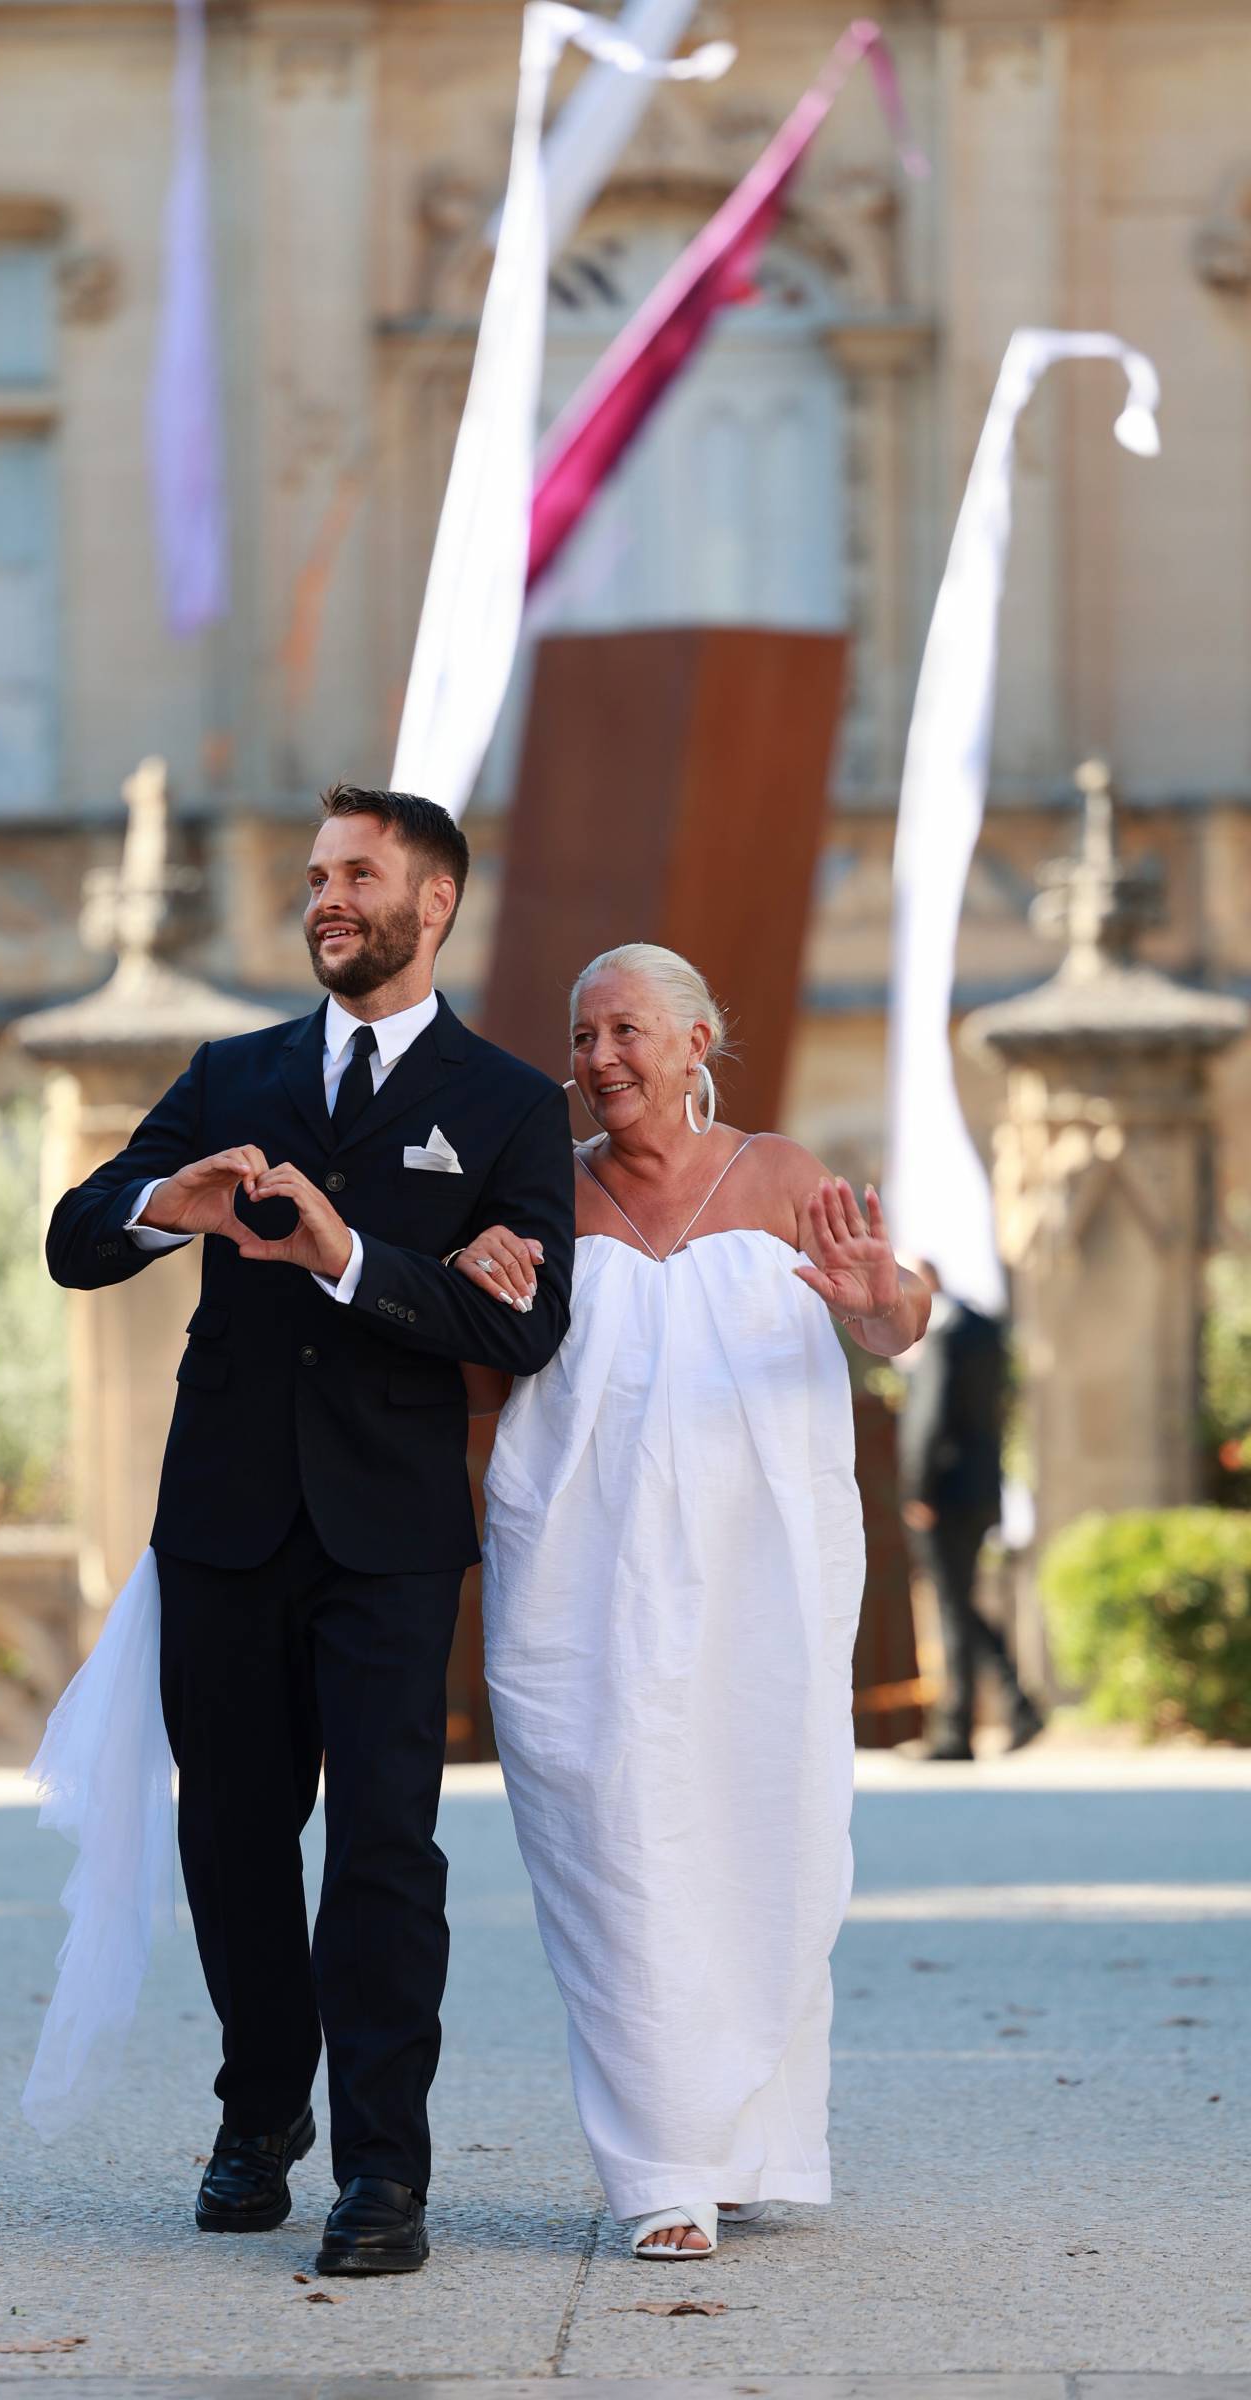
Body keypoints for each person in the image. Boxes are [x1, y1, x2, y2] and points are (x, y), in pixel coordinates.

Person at [44, 785, 575, 2276]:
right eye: (317, 876)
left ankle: (385, 2177)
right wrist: (169, 1200)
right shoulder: (232, 1072)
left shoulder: (512, 1106)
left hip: (391, 1535)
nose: (325, 896)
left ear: (435, 904)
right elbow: (73, 1237)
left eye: (357, 874)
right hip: (221, 1520)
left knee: (387, 1853)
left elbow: (526, 1331)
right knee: (230, 1837)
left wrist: (361, 1262)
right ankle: (260, 2110)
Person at [453, 943, 930, 2263]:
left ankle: (758, 2146)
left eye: (627, 1032)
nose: (601, 1058)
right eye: (583, 1035)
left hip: (761, 1582)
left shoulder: (779, 1177)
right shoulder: (542, 1195)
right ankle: (661, 2168)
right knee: (614, 1851)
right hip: (582, 1586)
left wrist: (882, 1302)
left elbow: (897, 1315)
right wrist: (474, 1277)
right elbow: (479, 1377)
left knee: (770, 1841)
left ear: (697, 1042)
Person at [898, 1261, 1043, 1762]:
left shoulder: (944, 1334)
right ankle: (1017, 1705)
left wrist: (916, 1490)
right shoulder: (985, 1329)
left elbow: (928, 1418)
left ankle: (956, 1732)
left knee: (952, 1606)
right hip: (983, 1489)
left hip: (944, 1494)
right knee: (961, 1603)